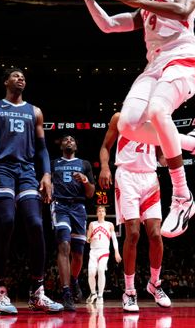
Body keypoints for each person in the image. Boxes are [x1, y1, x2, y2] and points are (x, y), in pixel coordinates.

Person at [78, 0, 195, 238]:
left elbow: (182, 11)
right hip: (154, 65)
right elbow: (109, 24)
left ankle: (182, 195)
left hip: (181, 57)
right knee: (128, 125)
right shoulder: (145, 11)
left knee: (158, 111)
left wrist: (139, 1)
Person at [0, 67, 63, 314]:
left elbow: (42, 149)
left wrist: (47, 175)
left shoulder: (35, 112)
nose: (21, 78)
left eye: (23, 76)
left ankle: (37, 292)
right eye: (15, 75)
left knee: (36, 224)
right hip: (1, 168)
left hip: (27, 170)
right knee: (7, 221)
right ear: (6, 81)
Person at [98, 112, 171, 312]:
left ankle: (155, 284)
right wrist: (105, 167)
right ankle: (129, 292)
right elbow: (105, 147)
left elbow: (158, 152)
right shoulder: (119, 118)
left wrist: (165, 159)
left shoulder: (155, 120)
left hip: (149, 177)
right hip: (127, 176)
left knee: (156, 234)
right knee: (133, 233)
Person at [51, 134, 95, 311]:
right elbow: (45, 180)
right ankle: (66, 292)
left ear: (76, 146)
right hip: (60, 205)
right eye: (65, 139)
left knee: (78, 255)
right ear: (61, 145)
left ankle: (74, 280)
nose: (69, 140)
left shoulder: (85, 164)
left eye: (72, 139)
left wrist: (84, 180)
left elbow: (91, 193)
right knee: (64, 246)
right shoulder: (53, 163)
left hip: (79, 207)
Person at [85, 205, 121, 304]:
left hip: (104, 251)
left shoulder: (110, 224)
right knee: (91, 273)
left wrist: (116, 252)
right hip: (93, 251)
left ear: (105, 213)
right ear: (97, 213)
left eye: (102, 211)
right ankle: (93, 293)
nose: (101, 212)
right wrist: (89, 239)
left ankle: (100, 295)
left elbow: (114, 239)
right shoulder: (92, 224)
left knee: (101, 270)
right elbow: (87, 239)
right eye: (99, 211)